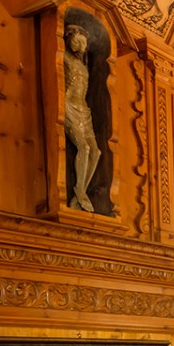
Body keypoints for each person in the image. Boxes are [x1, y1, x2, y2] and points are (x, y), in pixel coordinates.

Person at [63, 25, 100, 212]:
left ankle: (80, 193)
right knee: (83, 148)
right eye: (77, 41)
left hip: (84, 110)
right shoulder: (64, 57)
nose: (81, 46)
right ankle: (79, 192)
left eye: (83, 43)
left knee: (96, 152)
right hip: (68, 105)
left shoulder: (84, 65)